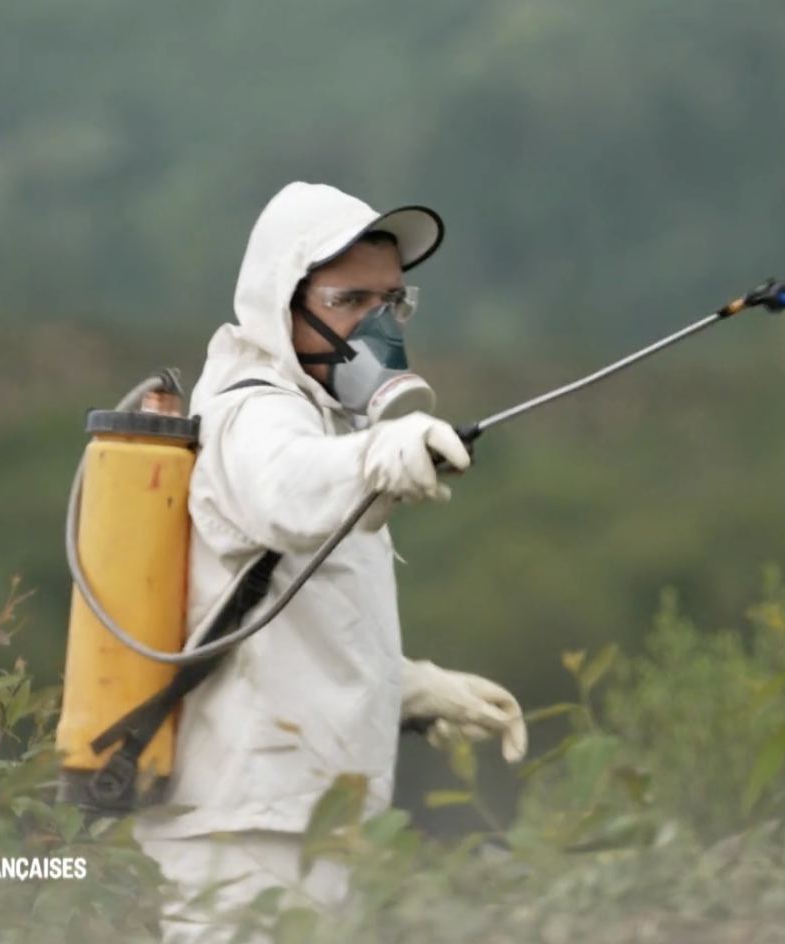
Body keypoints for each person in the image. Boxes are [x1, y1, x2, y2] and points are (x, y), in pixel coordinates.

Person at [134, 181, 529, 938]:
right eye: (351, 301)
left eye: (394, 303)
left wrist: (405, 688)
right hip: (245, 827)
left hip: (297, 816)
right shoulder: (253, 410)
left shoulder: (317, 417)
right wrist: (383, 449)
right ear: (284, 300)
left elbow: (293, 613)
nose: (379, 327)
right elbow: (288, 488)